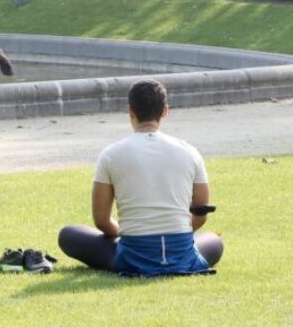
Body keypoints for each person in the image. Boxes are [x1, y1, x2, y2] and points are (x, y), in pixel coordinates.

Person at [58, 79, 223, 277]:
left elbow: (101, 220)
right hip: (181, 252)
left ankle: (141, 252)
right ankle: (171, 254)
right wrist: (176, 233)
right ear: (165, 111)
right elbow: (201, 212)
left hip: (133, 255)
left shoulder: (111, 154)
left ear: (131, 112)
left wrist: (129, 234)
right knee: (214, 240)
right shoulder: (190, 152)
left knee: (68, 235)